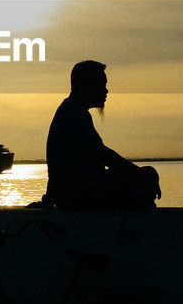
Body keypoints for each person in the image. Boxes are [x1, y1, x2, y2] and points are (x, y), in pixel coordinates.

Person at [40, 60, 160, 210]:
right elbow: (101, 153)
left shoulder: (72, 110)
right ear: (86, 85)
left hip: (75, 193)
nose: (106, 91)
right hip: (80, 196)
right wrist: (140, 173)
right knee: (148, 174)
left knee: (143, 175)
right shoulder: (73, 112)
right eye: (101, 85)